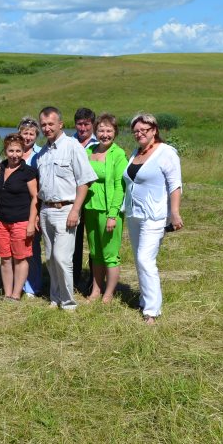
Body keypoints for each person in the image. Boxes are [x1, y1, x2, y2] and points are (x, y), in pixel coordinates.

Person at [123, 113, 183, 325]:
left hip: (155, 215)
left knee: (145, 259)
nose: (139, 134)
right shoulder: (136, 152)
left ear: (154, 130)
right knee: (139, 260)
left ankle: (152, 311)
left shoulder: (166, 153)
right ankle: (144, 298)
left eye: (143, 130)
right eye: (136, 131)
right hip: (134, 214)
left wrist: (174, 212)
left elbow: (175, 185)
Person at [35, 107, 97, 310]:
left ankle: (69, 303)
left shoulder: (72, 146)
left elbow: (84, 181)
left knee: (63, 258)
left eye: (50, 124)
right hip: (45, 210)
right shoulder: (42, 153)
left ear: (60, 124)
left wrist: (75, 210)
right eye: (43, 124)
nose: (46, 128)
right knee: (51, 258)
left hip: (65, 209)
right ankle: (55, 298)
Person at [83, 114, 128, 303]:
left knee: (110, 255)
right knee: (95, 253)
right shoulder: (89, 150)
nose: (105, 134)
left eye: (109, 130)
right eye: (101, 130)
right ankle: (95, 290)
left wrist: (113, 214)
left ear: (115, 132)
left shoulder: (118, 154)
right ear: (96, 132)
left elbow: (120, 187)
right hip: (90, 208)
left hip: (108, 211)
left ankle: (109, 293)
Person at [0, 134, 38, 301]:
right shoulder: (1, 167)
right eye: (11, 150)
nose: (14, 154)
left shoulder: (28, 171)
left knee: (20, 258)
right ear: (5, 151)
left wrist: (31, 223)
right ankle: (7, 293)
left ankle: (16, 294)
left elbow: (35, 197)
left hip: (21, 220)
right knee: (5, 258)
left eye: (18, 150)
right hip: (1, 221)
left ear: (23, 151)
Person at [72, 107, 98, 292]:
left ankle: (94, 281)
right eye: (79, 124)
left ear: (93, 125)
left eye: (86, 124)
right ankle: (73, 279)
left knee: (94, 241)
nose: (82, 128)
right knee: (73, 242)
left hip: (93, 199)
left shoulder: (100, 143)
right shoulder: (69, 142)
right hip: (72, 199)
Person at [17, 117, 43, 297]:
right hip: (16, 206)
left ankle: (33, 286)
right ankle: (17, 282)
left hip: (35, 205)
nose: (27, 137)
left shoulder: (40, 154)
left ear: (36, 136)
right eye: (24, 133)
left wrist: (39, 213)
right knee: (18, 247)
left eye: (31, 134)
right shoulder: (14, 152)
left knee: (33, 247)